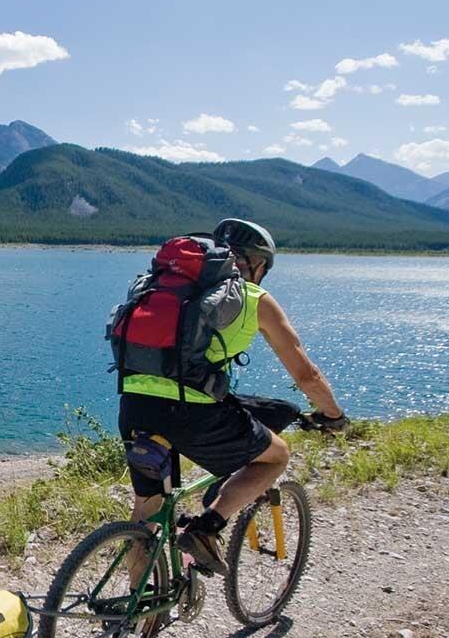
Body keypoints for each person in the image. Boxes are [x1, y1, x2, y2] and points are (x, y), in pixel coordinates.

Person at [118, 217, 347, 576]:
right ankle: (206, 529)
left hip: (134, 404)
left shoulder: (167, 287)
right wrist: (334, 414)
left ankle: (137, 616)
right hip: (190, 413)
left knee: (147, 511)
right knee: (275, 456)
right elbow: (306, 375)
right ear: (257, 265)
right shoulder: (254, 299)